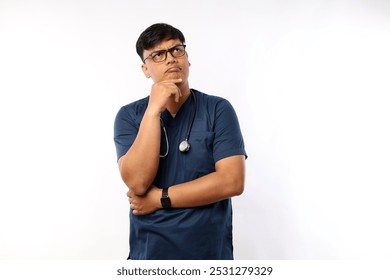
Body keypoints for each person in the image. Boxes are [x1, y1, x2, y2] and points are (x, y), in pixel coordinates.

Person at [113, 23, 247, 260]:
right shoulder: (130, 116)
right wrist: (153, 111)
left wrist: (159, 198)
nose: (170, 59)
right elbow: (137, 182)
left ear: (187, 59)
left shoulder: (217, 109)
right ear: (145, 69)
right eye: (158, 55)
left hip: (208, 256)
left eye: (177, 50)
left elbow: (232, 181)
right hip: (149, 255)